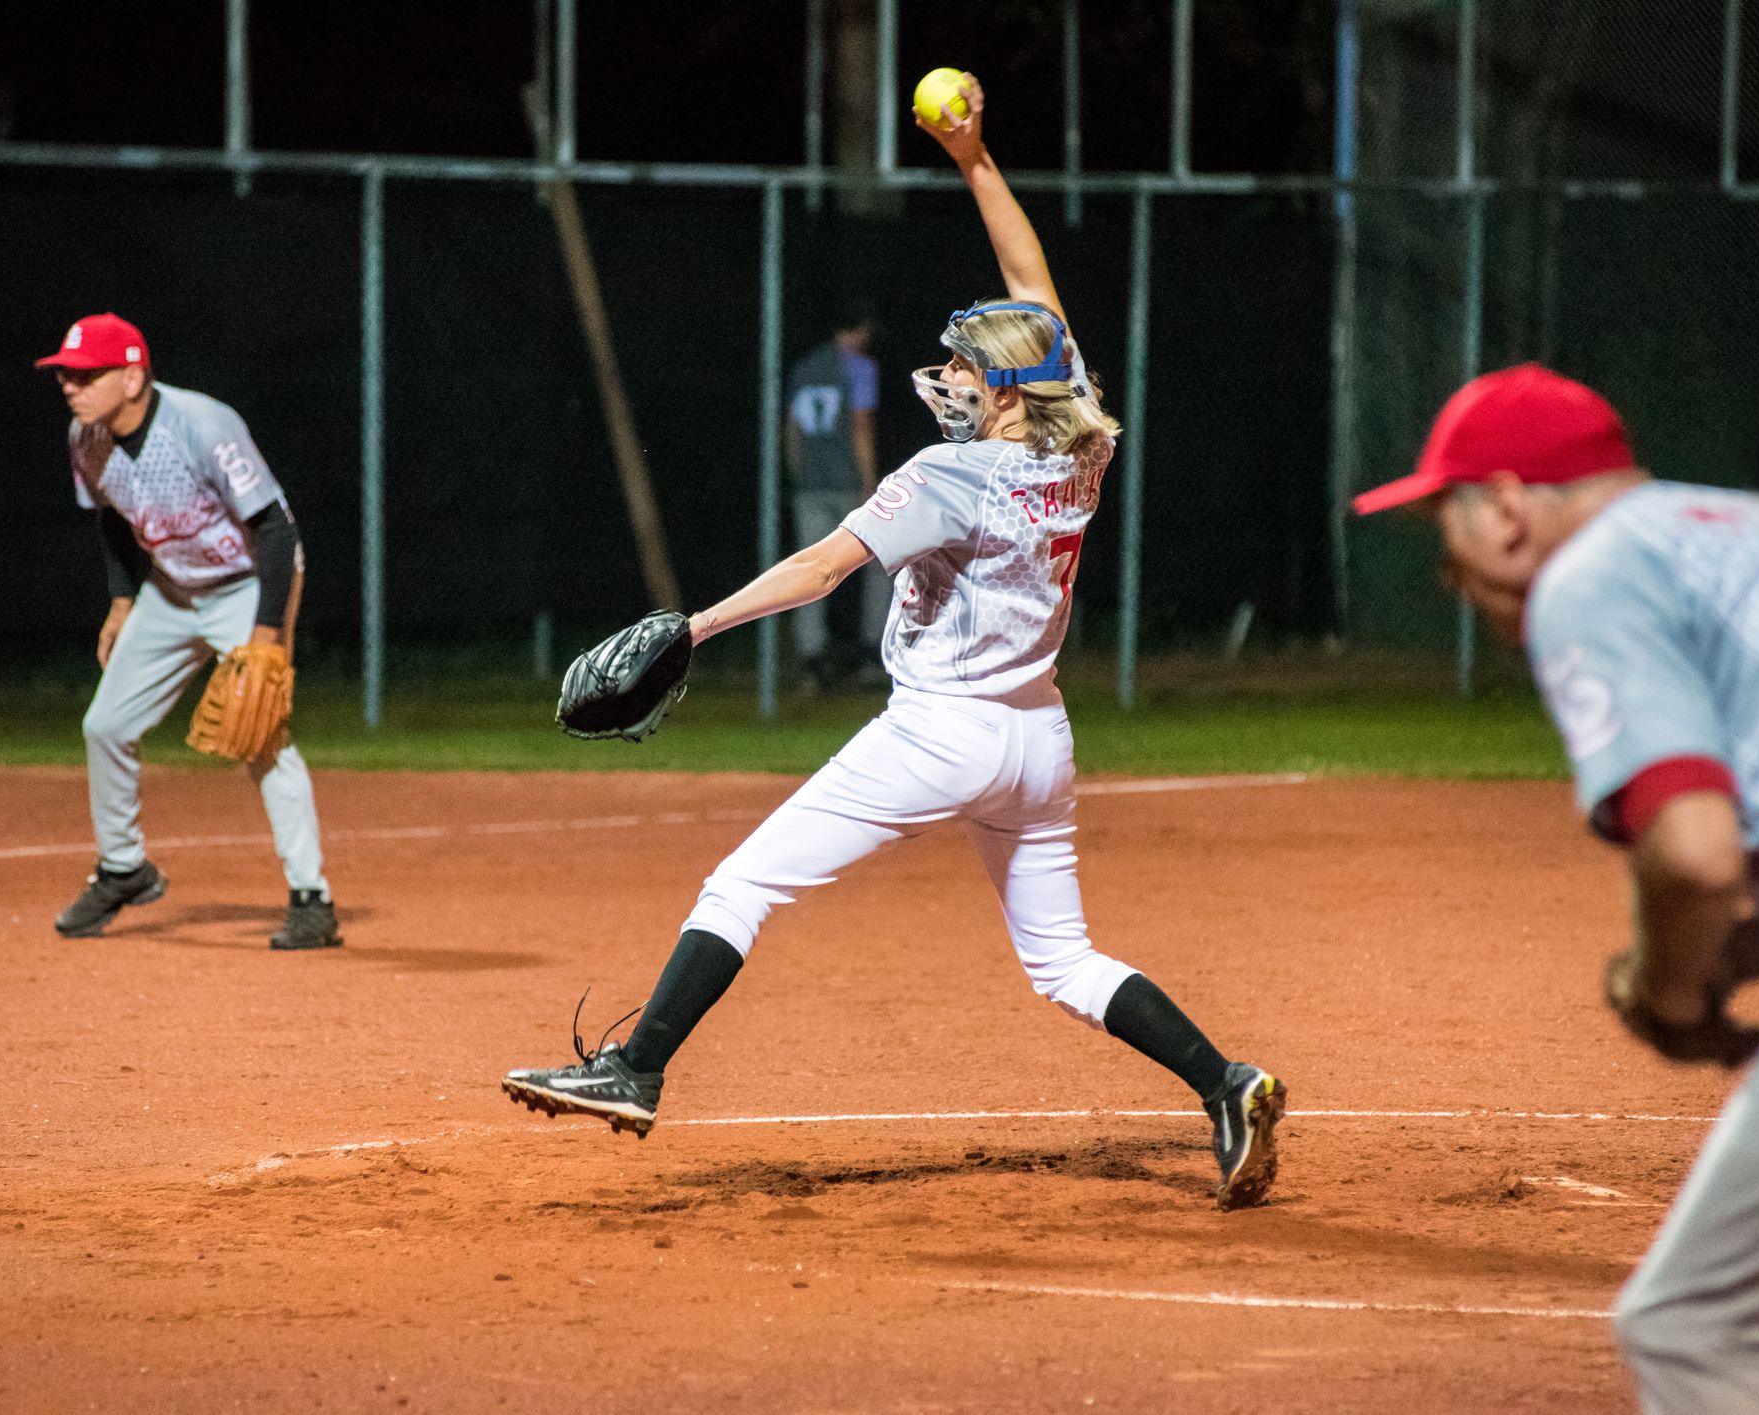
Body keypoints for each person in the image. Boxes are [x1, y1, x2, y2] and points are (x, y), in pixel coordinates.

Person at [503, 77, 1285, 1209]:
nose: (952, 377)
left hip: (940, 732)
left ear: (1009, 394)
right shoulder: (1080, 451)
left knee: (743, 880)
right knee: (1061, 963)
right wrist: (972, 157)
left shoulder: (948, 474)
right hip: (1037, 738)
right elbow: (1037, 296)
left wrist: (695, 625)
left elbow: (825, 567)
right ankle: (1227, 1079)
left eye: (969, 368)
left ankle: (635, 1068)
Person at [1354, 362, 1759, 1413]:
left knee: (1695, 1330)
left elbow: (1695, 852)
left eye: (1451, 527)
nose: (1453, 572)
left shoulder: (1595, 571)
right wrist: (1742, 952)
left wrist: (1665, 991)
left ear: (1511, 506)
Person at [36, 313, 341, 951]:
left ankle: (312, 900)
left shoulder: (202, 424)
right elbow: (113, 521)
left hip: (246, 584)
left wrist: (265, 633)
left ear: (133, 375)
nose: (71, 385)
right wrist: (122, 603)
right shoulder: (83, 438)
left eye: (87, 374)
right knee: (106, 725)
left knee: (262, 733)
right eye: (66, 373)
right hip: (170, 591)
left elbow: (276, 529)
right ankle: (123, 869)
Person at [785, 304, 891, 688]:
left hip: (810, 484)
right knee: (879, 565)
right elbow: (861, 425)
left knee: (809, 570)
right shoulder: (860, 368)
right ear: (859, 329)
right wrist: (869, 482)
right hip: (847, 482)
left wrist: (799, 476)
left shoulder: (804, 368)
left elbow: (792, 430)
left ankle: (812, 659)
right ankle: (871, 652)